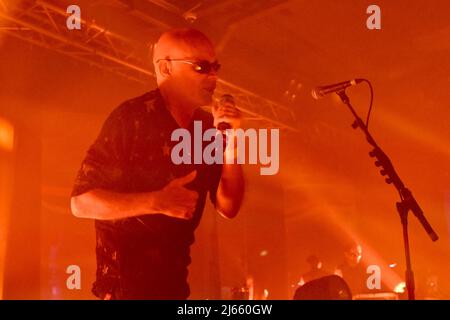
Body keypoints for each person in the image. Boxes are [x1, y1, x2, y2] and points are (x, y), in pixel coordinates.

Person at [70, 28, 245, 300]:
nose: (213, 76)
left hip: (175, 286)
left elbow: (228, 206)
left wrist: (232, 142)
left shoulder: (206, 129)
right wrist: (156, 202)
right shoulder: (130, 119)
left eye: (215, 67)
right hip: (124, 290)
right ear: (166, 68)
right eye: (201, 67)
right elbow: (81, 202)